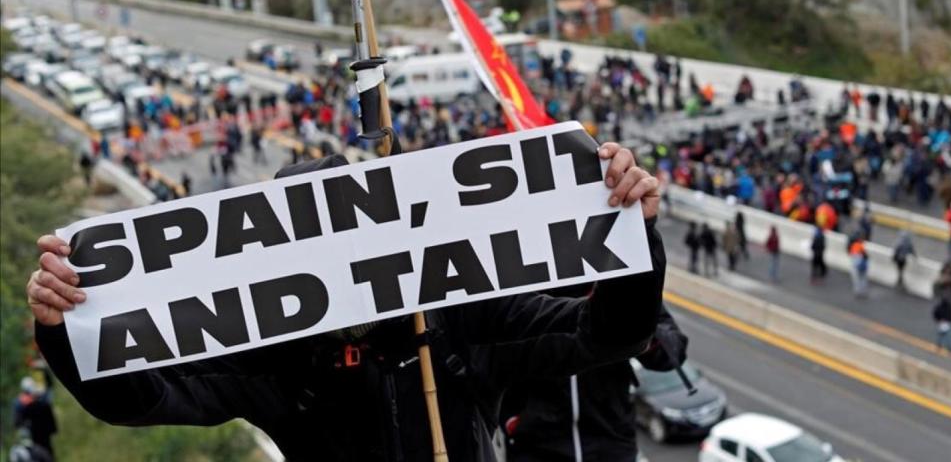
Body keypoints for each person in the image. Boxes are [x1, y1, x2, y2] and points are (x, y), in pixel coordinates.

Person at [27, 143, 668, 462]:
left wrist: (631, 233)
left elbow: (607, 333)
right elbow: (141, 398)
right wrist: (65, 329)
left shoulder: (461, 317)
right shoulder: (269, 356)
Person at [501, 304, 687, 462]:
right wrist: (510, 418)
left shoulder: (616, 278)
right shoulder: (525, 283)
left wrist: (637, 321)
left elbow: (673, 352)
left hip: (611, 439)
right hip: (535, 443)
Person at [11, 377, 57, 459]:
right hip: (37, 432)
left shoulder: (20, 402)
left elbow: (17, 421)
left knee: (41, 452)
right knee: (44, 452)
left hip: (34, 432)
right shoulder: (26, 402)